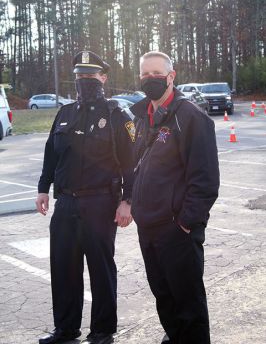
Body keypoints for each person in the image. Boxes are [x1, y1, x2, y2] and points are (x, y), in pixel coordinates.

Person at [36, 50, 135, 344]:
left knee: (101, 269)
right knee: (63, 268)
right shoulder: (65, 113)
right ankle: (66, 329)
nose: (84, 81)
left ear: (103, 78)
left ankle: (102, 331)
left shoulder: (117, 114)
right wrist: (43, 187)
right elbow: (51, 154)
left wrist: (127, 200)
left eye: (90, 76)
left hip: (101, 204)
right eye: (80, 76)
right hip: (65, 203)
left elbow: (132, 162)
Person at [130, 51, 220, 344]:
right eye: (145, 74)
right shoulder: (143, 115)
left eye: (156, 73)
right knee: (164, 296)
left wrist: (186, 222)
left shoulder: (191, 117)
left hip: (177, 230)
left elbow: (205, 180)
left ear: (171, 76)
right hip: (149, 227)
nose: (150, 79)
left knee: (188, 302)